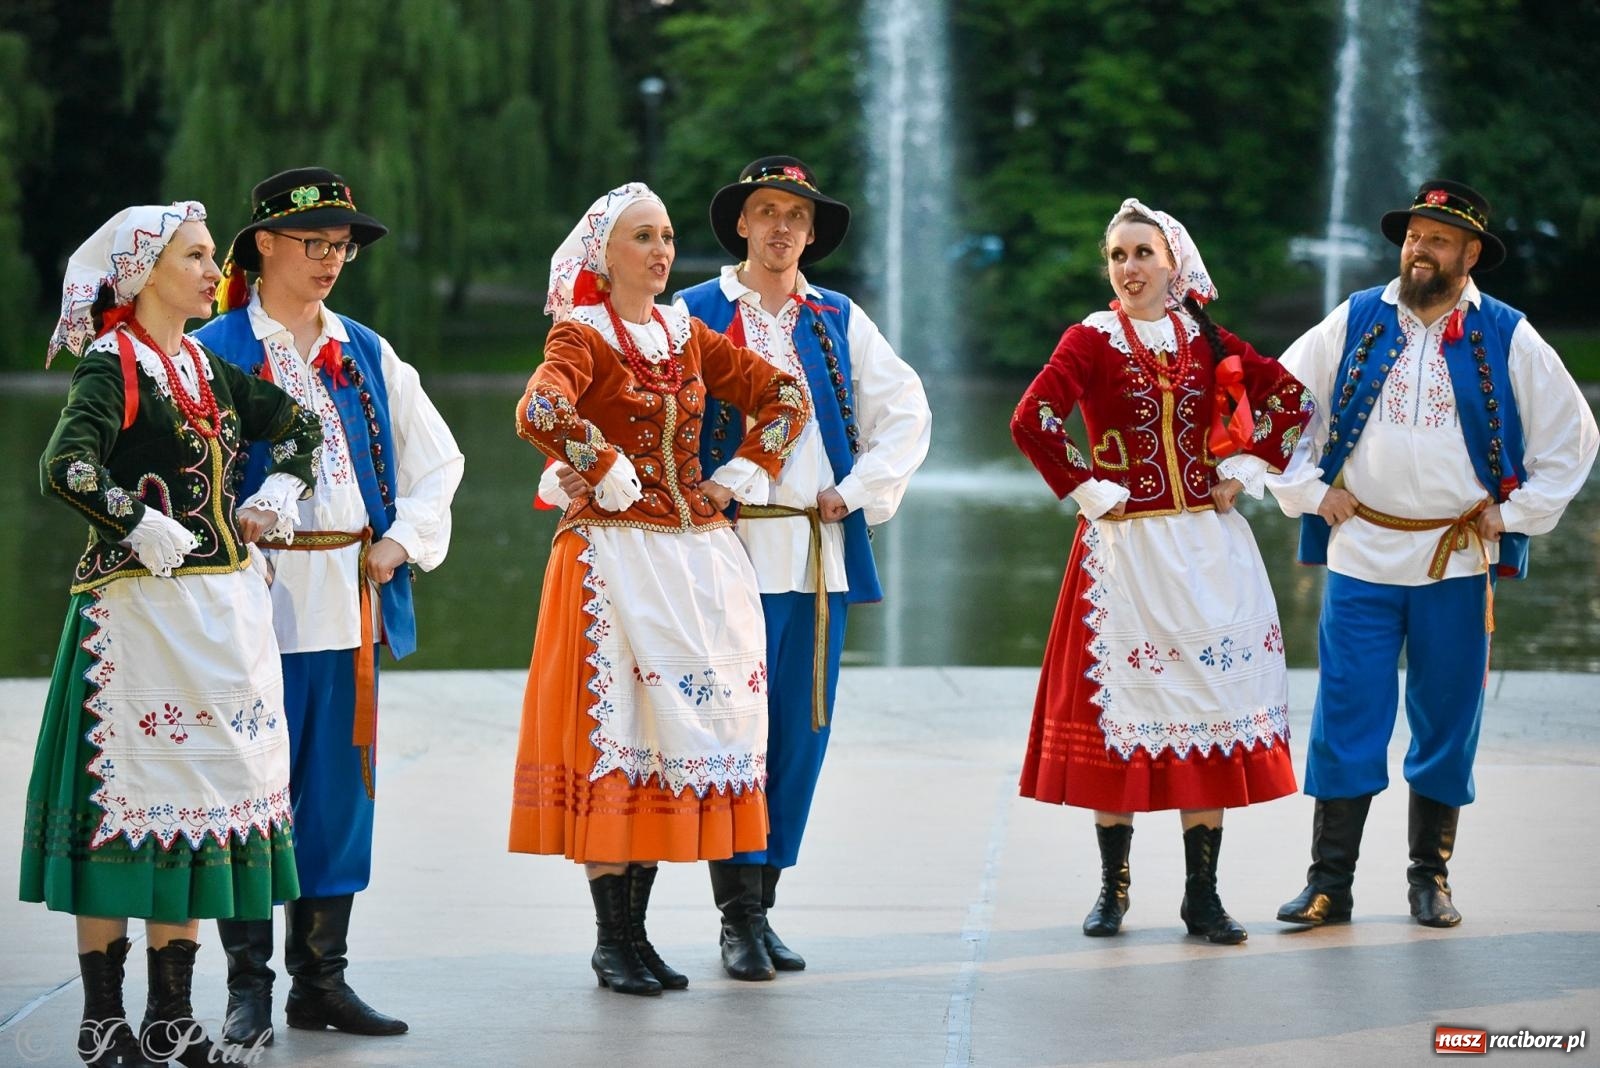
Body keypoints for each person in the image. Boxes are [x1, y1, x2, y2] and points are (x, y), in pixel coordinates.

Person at [21, 203, 322, 1067]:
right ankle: (103, 1022)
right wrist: (128, 519)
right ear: (145, 270)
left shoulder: (207, 367)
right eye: (193, 257)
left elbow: (300, 424)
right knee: (125, 821)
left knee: (200, 813)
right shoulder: (111, 367)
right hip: (135, 625)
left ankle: (170, 1019)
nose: (209, 271)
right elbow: (63, 466)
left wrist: (278, 495)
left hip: (218, 623)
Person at [1268, 180, 1598, 929]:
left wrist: (1513, 514)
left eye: (1439, 239)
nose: (1421, 249)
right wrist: (1308, 490)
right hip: (1361, 555)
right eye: (1415, 235)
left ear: (1470, 254)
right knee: (1347, 712)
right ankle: (1329, 883)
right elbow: (1274, 403)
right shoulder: (1355, 318)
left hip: (1456, 561)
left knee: (1448, 715)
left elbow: (1574, 441)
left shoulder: (1508, 334)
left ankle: (1429, 879)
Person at [508, 182, 808, 996]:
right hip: (610, 561)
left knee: (672, 741)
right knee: (622, 745)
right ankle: (614, 942)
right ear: (605, 258)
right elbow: (538, 407)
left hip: (693, 558)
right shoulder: (583, 334)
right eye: (643, 237)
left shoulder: (687, 333)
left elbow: (787, 397)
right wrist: (600, 463)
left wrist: (739, 475)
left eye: (668, 235)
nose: (662, 250)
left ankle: (637, 938)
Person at [196, 167, 465, 1043]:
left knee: (338, 796)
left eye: (341, 247)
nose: (330, 261)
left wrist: (403, 541)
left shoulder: (367, 350)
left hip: (348, 598)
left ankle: (322, 982)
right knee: (249, 788)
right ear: (263, 245)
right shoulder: (216, 352)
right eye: (314, 243)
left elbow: (439, 463)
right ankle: (248, 986)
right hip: (250, 609)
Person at [1011, 198, 1314, 945]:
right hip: (1126, 553)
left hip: (1208, 553)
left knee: (1203, 713)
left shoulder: (1207, 340)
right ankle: (1114, 889)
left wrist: (1240, 467)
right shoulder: (1091, 338)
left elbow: (1290, 400)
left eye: (1143, 254)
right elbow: (1033, 418)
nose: (1129, 269)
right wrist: (1091, 489)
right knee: (1123, 719)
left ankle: (1201, 896)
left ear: (1173, 263)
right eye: (1117, 256)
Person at [671, 156, 929, 979]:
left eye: (798, 216)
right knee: (732, 736)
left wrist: (854, 493)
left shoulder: (838, 319)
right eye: (767, 211)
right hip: (725, 556)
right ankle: (735, 917)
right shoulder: (693, 313)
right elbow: (655, 418)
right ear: (741, 223)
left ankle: (763, 905)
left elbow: (907, 414)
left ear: (812, 235)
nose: (782, 227)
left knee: (800, 737)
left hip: (816, 558)